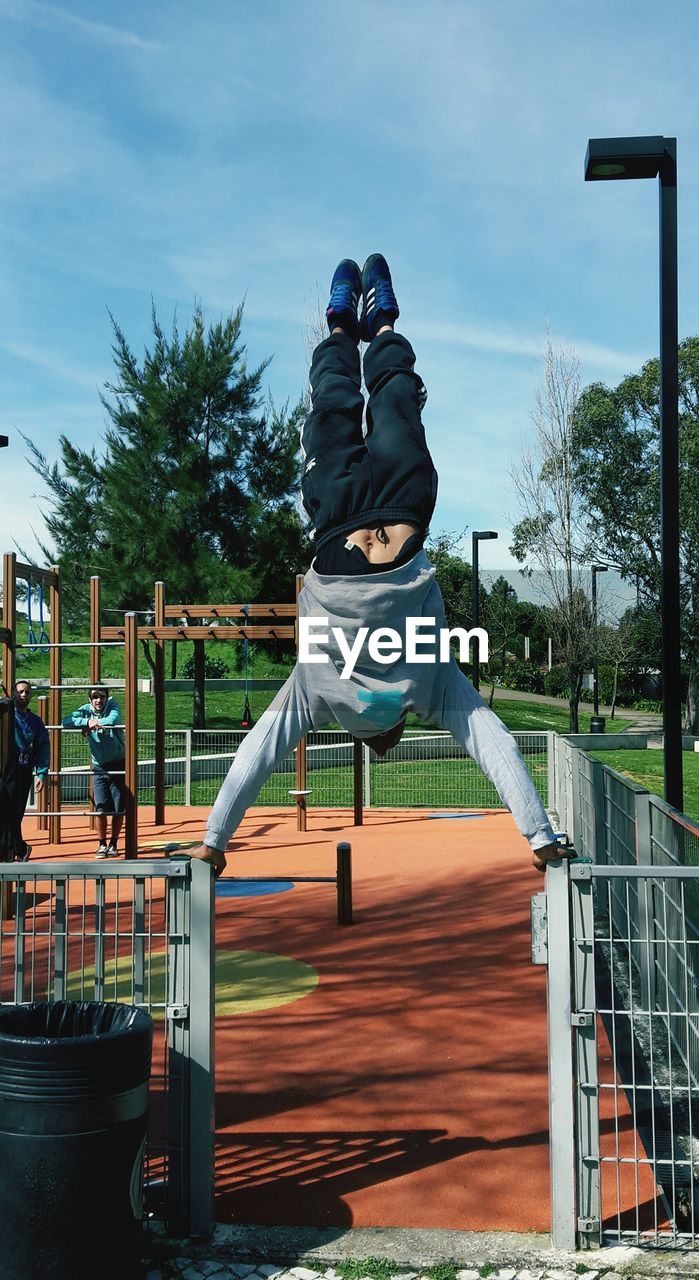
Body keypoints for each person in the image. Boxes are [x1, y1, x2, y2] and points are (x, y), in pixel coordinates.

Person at [190, 255, 564, 879]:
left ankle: (381, 322)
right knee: (333, 406)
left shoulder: (430, 689)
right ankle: (340, 326)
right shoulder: (318, 695)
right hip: (335, 529)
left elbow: (492, 743)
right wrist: (212, 840)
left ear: (387, 735)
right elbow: (258, 751)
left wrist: (541, 835)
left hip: (403, 512)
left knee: (394, 395)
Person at [62, 684, 126, 858]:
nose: (99, 700)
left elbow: (113, 719)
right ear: (90, 699)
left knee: (118, 807)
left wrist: (94, 724)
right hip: (99, 766)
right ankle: (102, 844)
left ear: (107, 697)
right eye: (95, 697)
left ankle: (114, 843)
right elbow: (66, 721)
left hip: (118, 763)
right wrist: (86, 722)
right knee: (100, 807)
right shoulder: (85, 710)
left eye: (102, 697)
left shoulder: (112, 706)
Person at [0, 680, 50, 862]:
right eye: (20, 691)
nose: (24, 695)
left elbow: (43, 748)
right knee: (6, 810)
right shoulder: (6, 715)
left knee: (14, 812)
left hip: (23, 769)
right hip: (6, 768)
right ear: (13, 693)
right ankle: (19, 848)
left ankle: (16, 849)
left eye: (27, 692)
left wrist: (42, 773)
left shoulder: (35, 722)